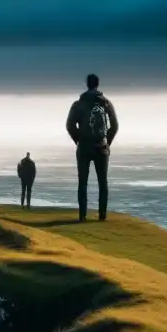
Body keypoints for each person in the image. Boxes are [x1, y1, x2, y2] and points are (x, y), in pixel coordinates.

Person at [66, 73, 119, 221]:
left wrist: (79, 141)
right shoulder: (106, 103)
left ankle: (82, 215)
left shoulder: (78, 104)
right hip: (101, 147)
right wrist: (107, 142)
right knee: (103, 182)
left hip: (84, 147)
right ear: (97, 85)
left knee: (82, 182)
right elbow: (114, 126)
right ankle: (102, 215)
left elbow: (70, 125)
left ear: (87, 84)